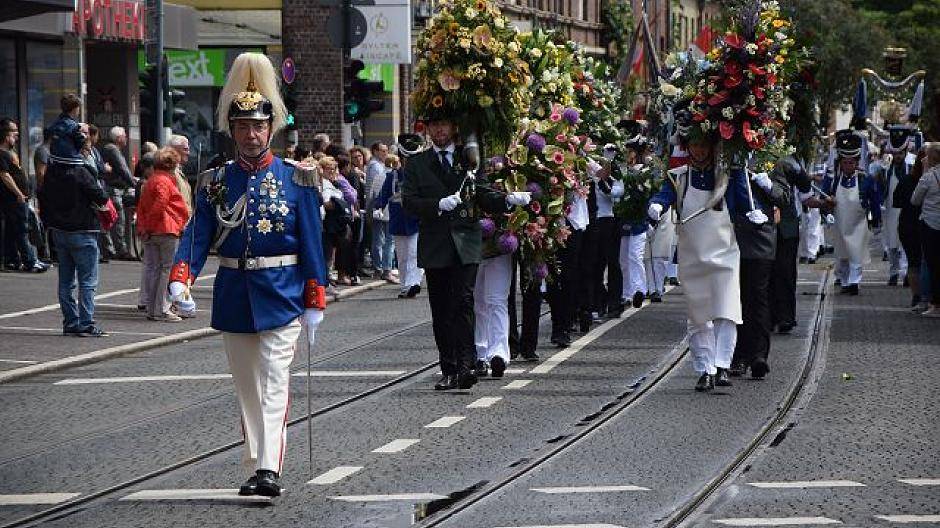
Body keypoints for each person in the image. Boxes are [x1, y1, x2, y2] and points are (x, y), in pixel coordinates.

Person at [168, 52, 328, 497]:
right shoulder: (216, 180)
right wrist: (181, 276)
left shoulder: (296, 179)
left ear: (271, 128)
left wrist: (315, 295)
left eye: (258, 126)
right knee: (248, 389)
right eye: (243, 127)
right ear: (232, 130)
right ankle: (258, 461)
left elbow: (312, 242)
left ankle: (268, 469)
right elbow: (197, 234)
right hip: (235, 293)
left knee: (275, 381)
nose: (251, 135)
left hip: (282, 292)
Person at [402, 117, 530, 391]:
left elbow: (482, 193)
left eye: (444, 125)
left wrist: (507, 200)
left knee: (463, 301)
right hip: (436, 244)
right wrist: (437, 204)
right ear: (428, 130)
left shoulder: (469, 158)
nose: (439, 130)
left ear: (453, 128)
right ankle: (449, 368)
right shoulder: (417, 163)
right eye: (434, 126)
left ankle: (467, 365)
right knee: (442, 309)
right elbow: (409, 202)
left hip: (465, 242)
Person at [648, 114, 750, 392]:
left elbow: (744, 204)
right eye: (694, 145)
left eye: (704, 144)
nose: (699, 150)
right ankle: (705, 367)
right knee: (699, 315)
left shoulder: (728, 176)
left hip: (725, 251)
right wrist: (655, 206)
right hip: (692, 254)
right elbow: (663, 196)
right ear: (687, 146)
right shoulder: (678, 177)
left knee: (727, 310)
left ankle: (723, 364)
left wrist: (756, 211)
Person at [39, 112, 110, 337]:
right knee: (87, 280)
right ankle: (86, 323)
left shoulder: (52, 170)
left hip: (60, 230)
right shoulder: (80, 171)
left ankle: (70, 322)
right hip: (83, 230)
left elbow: (43, 195)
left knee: (66, 281)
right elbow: (101, 196)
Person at [727, 158, 791, 382]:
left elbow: (784, 197)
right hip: (729, 237)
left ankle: (758, 356)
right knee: (735, 299)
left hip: (760, 240)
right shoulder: (724, 157)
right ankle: (737, 355)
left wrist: (768, 185)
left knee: (758, 297)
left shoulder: (770, 159)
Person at [821, 130, 882, 295]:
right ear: (840, 162)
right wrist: (826, 209)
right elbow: (823, 198)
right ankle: (845, 280)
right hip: (840, 222)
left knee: (856, 253)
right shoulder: (833, 179)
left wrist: (876, 219)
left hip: (858, 223)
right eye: (845, 163)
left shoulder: (865, 179)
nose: (848, 166)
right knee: (842, 254)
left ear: (856, 162)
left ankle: (854, 282)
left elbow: (875, 201)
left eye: (851, 163)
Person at [137, 148, 190, 322]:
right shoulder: (165, 181)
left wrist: (145, 228)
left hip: (152, 231)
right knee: (166, 270)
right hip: (166, 229)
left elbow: (142, 207)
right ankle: (162, 309)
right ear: (172, 165)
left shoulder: (150, 181)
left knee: (154, 270)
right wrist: (151, 224)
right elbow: (161, 203)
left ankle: (152, 308)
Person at [770, 156, 815, 335]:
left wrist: (794, 167)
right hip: (762, 224)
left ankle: (785, 317)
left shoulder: (792, 160)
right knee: (764, 273)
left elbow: (805, 187)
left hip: (787, 225)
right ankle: (769, 317)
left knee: (786, 271)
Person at [1, 118, 48, 273]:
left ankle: (12, 260)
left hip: (19, 198)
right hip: (14, 199)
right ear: (5, 134)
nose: (17, 134)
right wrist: (19, 193)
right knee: (22, 230)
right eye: (14, 131)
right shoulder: (1, 153)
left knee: (11, 231)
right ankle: (30, 261)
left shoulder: (11, 152)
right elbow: (5, 175)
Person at [374, 151, 422, 298]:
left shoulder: (419, 175)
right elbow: (384, 193)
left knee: (414, 253)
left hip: (415, 219)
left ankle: (413, 283)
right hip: (399, 219)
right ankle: (405, 285)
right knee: (402, 256)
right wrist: (378, 207)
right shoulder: (392, 176)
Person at [896, 148, 927, 310]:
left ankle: (917, 296)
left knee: (913, 262)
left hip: (907, 225)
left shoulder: (906, 180)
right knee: (927, 262)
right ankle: (927, 297)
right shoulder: (930, 179)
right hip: (927, 226)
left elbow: (897, 201)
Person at [912, 142, 940, 317]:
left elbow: (915, 200)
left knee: (933, 265)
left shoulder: (928, 177)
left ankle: (936, 304)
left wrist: (924, 171)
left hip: (930, 224)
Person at [99, 126, 135, 260]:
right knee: (118, 220)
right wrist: (134, 184)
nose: (126, 138)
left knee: (111, 219)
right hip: (113, 189)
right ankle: (120, 250)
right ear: (119, 138)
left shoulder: (109, 148)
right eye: (124, 136)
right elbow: (122, 169)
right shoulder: (113, 149)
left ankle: (110, 249)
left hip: (111, 188)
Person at [366, 142, 397, 282]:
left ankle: (379, 268)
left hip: (378, 209)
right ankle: (386, 269)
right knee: (388, 241)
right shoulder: (389, 175)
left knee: (378, 240)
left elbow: (372, 193)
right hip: (388, 210)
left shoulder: (379, 173)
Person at [168, 134, 194, 217]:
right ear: (174, 150)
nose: (188, 153)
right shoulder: (170, 172)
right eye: (185, 149)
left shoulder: (178, 171)